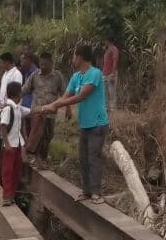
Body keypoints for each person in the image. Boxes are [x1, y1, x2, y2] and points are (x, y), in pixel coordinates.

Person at [35, 43, 110, 202]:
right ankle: (86, 191)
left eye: (74, 56)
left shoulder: (95, 74)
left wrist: (55, 105)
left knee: (93, 157)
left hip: (97, 123)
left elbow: (80, 96)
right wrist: (50, 106)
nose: (73, 59)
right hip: (85, 124)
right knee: (83, 157)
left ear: (80, 57)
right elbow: (66, 96)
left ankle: (96, 193)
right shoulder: (76, 77)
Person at [22, 51, 65, 164]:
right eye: (41, 64)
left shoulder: (57, 76)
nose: (43, 66)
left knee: (48, 136)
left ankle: (42, 158)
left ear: (51, 63)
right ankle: (38, 159)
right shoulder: (34, 75)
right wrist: (13, 97)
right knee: (37, 135)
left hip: (50, 113)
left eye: (45, 64)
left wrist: (68, 109)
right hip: (37, 112)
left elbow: (64, 93)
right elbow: (25, 89)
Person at [0, 81, 30, 206]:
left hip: (16, 145)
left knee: (16, 171)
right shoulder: (8, 108)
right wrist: (7, 144)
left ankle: (11, 195)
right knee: (8, 171)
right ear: (18, 94)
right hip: (10, 146)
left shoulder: (17, 109)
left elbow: (30, 111)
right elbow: (3, 126)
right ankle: (7, 196)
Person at [102, 37, 120, 111]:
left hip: (110, 74)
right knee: (105, 92)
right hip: (105, 74)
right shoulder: (107, 50)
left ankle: (112, 109)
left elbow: (115, 61)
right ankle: (106, 108)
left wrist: (113, 74)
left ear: (108, 40)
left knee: (111, 92)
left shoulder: (114, 49)